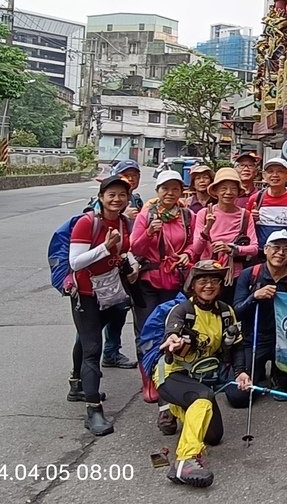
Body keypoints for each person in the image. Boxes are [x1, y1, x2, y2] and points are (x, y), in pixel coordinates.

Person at [157, 261, 252, 487]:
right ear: (193, 284)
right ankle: (185, 460)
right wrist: (173, 339)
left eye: (214, 280)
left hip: (202, 377)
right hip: (173, 374)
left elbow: (237, 345)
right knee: (203, 399)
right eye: (203, 280)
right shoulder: (183, 311)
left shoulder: (226, 312)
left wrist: (240, 373)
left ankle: (176, 409)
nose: (208, 285)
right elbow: (172, 331)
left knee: (213, 436)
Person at [68, 175, 136, 436]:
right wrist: (105, 248)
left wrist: (130, 266)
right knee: (93, 348)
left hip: (109, 292)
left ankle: (76, 384)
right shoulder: (87, 223)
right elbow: (76, 262)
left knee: (87, 339)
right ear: (101, 197)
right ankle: (93, 410)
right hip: (86, 294)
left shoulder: (123, 222)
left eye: (122, 195)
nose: (117, 199)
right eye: (111, 194)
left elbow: (124, 252)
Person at [130, 170, 193, 421]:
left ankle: (168, 376)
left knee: (171, 331)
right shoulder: (148, 214)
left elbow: (194, 242)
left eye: (175, 189)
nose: (170, 193)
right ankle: (148, 378)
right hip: (148, 281)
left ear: (181, 192)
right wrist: (150, 233)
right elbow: (135, 246)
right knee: (147, 330)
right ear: (157, 191)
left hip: (174, 281)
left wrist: (188, 253)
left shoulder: (187, 215)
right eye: (165, 188)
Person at [232, 229, 287, 404]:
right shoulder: (250, 274)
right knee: (238, 397)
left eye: (286, 249)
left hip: (284, 342)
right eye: (276, 247)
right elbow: (236, 312)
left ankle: (279, 374)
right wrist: (254, 297)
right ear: (266, 249)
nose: (281, 253)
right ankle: (258, 372)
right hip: (254, 339)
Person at [93, 159, 142, 369]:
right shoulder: (101, 203)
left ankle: (111, 352)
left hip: (122, 268)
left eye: (134, 175)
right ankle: (86, 367)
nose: (130, 178)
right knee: (93, 323)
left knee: (119, 311)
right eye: (125, 174)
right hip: (99, 272)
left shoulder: (136, 199)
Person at [188, 167, 259, 301]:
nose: (228, 192)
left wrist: (232, 248)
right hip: (208, 274)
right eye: (223, 188)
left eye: (233, 188)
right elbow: (197, 249)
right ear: (215, 191)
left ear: (238, 192)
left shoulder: (245, 215)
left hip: (234, 275)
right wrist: (207, 228)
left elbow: (254, 248)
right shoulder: (204, 214)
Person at [247, 157, 287, 246]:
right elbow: (246, 227)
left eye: (280, 171)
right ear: (264, 176)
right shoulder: (256, 198)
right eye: (270, 171)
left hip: (286, 254)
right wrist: (251, 219)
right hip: (260, 253)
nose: (275, 175)